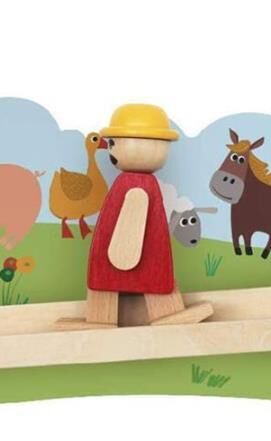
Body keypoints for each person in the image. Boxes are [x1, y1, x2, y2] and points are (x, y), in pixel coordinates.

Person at [72, 104, 213, 328]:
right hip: (121, 254)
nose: (111, 150)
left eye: (113, 143)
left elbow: (132, 219)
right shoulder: (136, 184)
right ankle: (101, 319)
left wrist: (123, 255)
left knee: (151, 278)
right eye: (112, 143)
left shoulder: (136, 185)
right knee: (148, 277)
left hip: (126, 253)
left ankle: (107, 318)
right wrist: (122, 256)